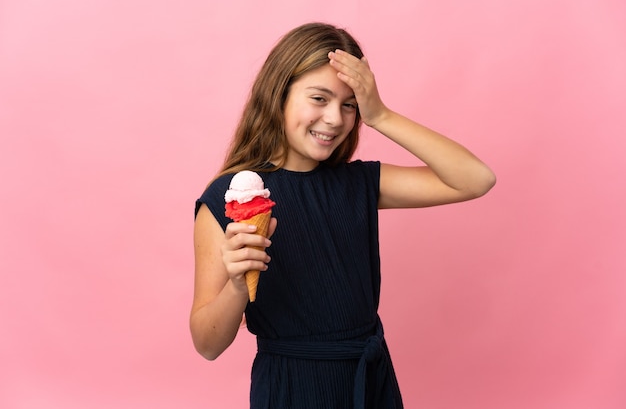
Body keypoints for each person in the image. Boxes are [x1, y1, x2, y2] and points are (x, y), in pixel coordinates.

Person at [191, 22, 496, 408]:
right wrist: (237, 286)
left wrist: (381, 115)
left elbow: (476, 179)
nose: (335, 118)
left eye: (349, 104)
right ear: (278, 94)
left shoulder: (360, 183)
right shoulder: (225, 199)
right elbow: (206, 344)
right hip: (292, 389)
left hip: (369, 381)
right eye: (319, 98)